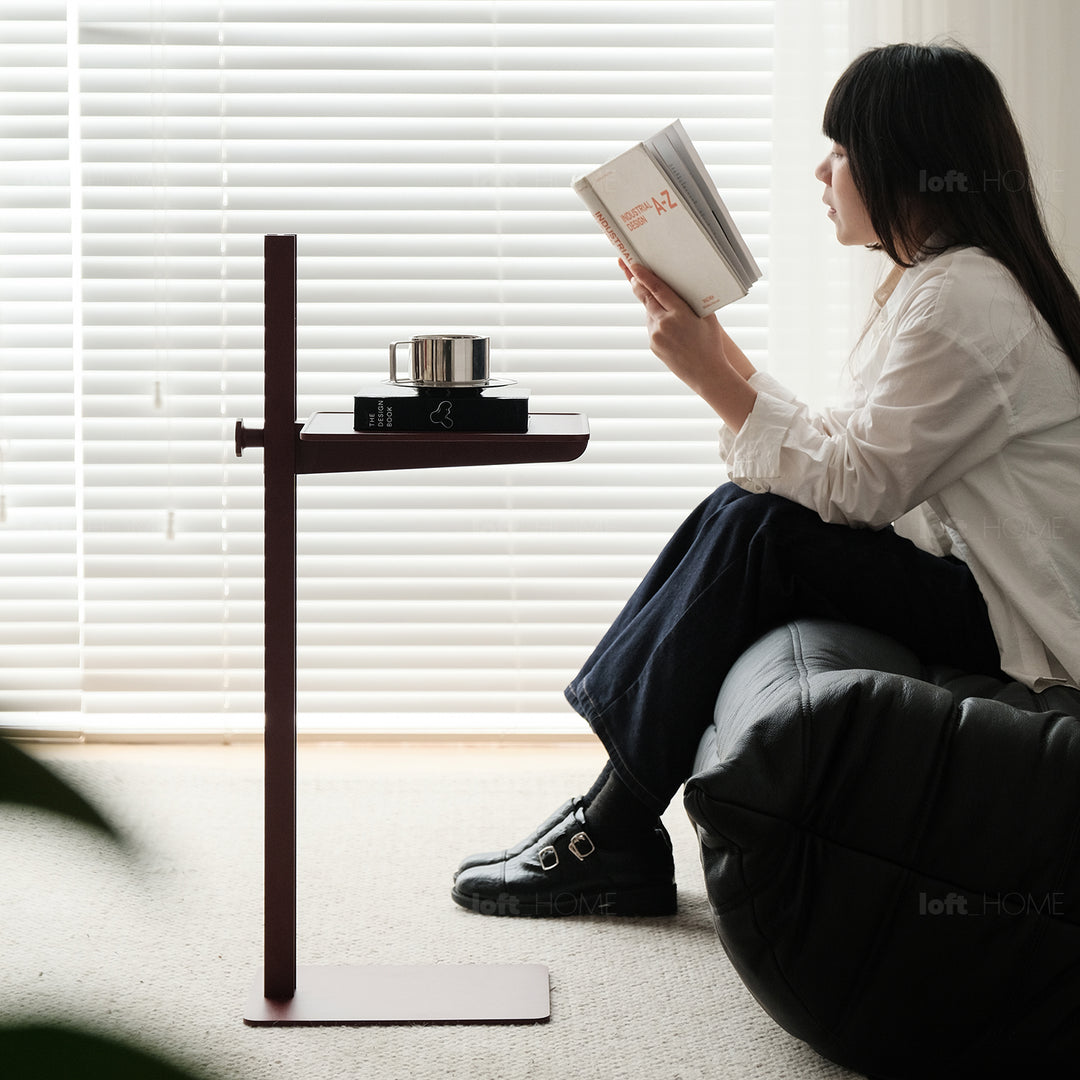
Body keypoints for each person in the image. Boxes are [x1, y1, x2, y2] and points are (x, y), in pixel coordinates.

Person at [451, 42, 1080, 918]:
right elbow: (850, 446)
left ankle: (612, 826)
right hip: (974, 585)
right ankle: (611, 818)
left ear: (909, 166)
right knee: (747, 513)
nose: (822, 172)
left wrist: (711, 378)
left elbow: (857, 486)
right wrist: (720, 358)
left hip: (1021, 623)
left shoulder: (964, 299)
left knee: (758, 527)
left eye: (843, 150)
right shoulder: (940, 284)